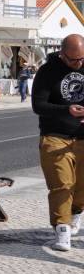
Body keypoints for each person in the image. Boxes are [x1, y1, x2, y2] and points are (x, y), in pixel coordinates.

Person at [32, 33, 84, 251]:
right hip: (55, 137)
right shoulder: (47, 72)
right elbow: (38, 106)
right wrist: (66, 110)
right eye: (74, 60)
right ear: (62, 54)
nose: (79, 64)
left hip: (82, 136)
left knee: (81, 187)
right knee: (62, 185)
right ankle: (62, 230)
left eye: (82, 59)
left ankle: (76, 213)